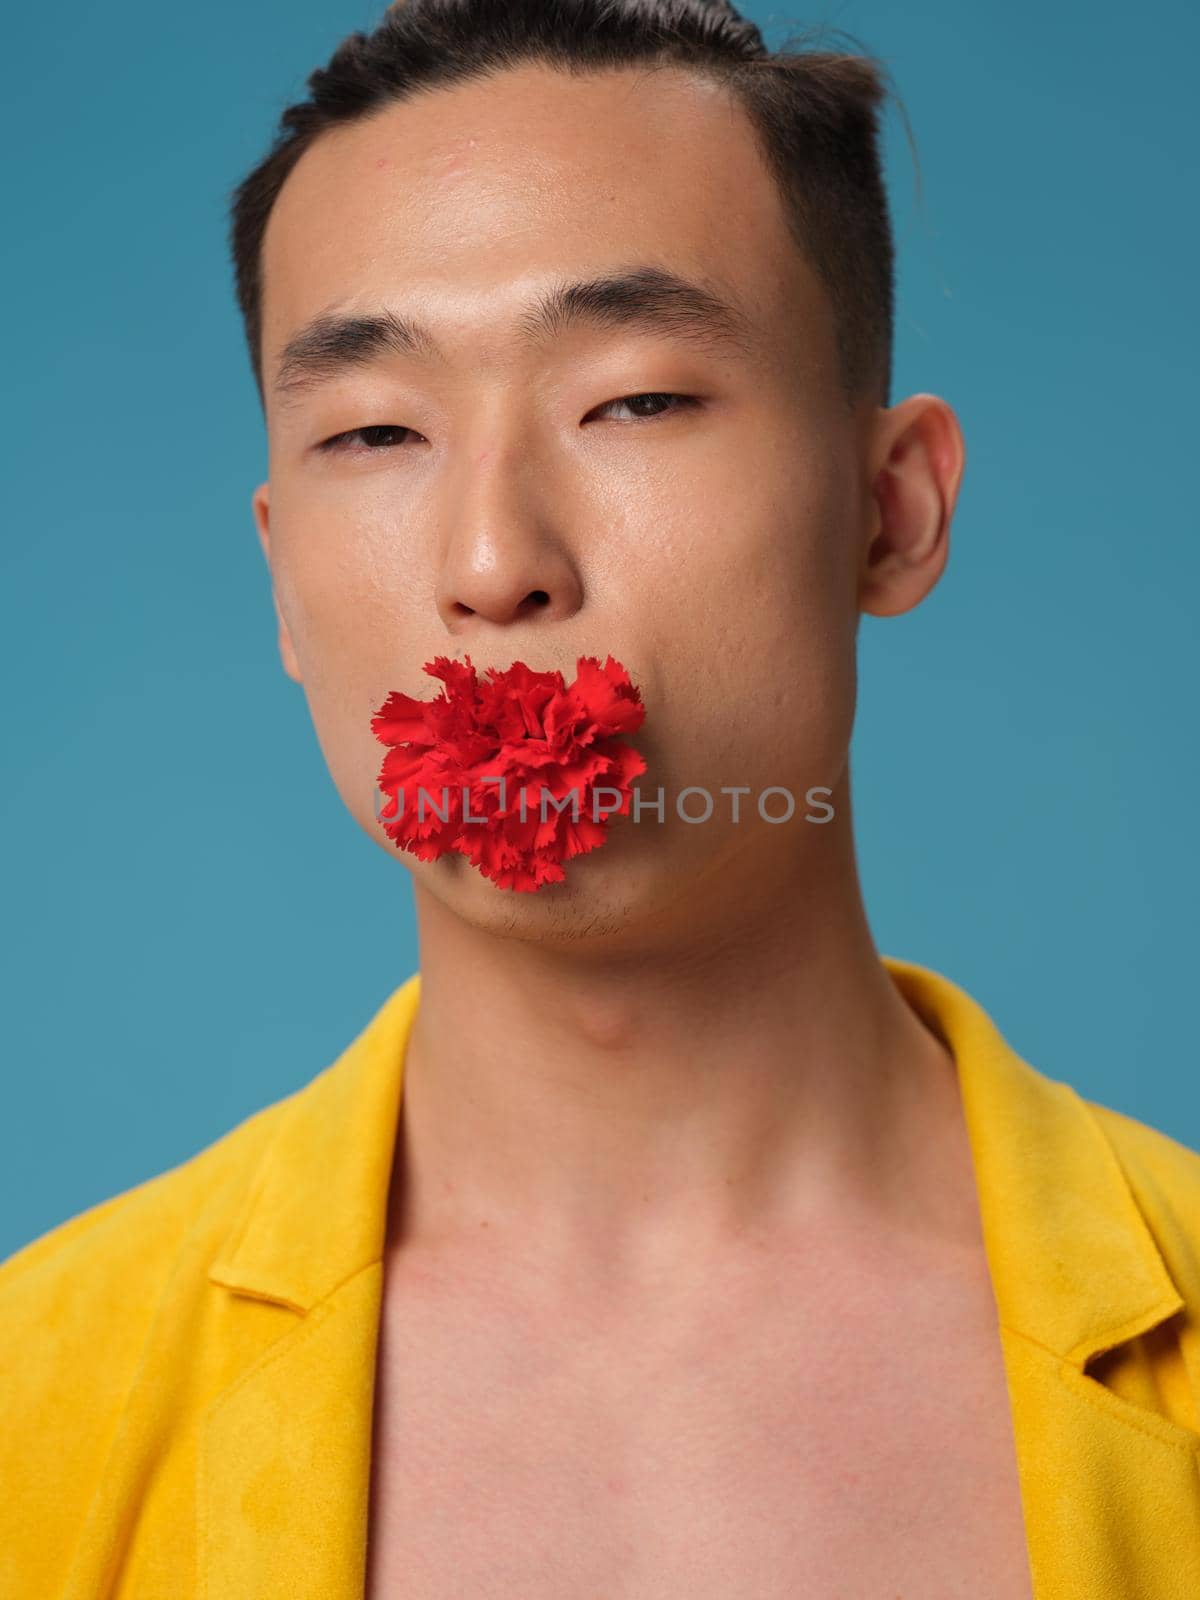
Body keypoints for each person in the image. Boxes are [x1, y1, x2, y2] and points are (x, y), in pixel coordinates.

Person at [3, 2, 1198, 1595]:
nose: (495, 566)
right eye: (375, 431)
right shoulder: (39, 1398)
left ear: (892, 511)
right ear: (283, 582)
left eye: (633, 401)